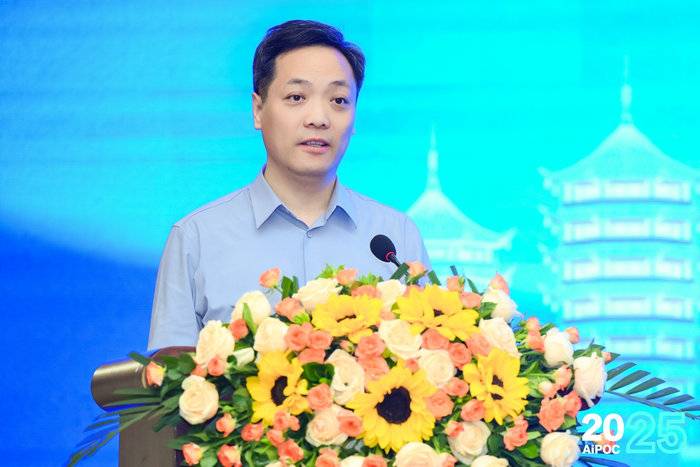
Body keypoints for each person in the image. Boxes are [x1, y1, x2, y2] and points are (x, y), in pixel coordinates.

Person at [148, 20, 430, 349]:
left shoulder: (396, 236)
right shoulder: (196, 238)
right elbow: (169, 374)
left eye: (339, 100)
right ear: (258, 110)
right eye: (297, 97)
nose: (319, 118)